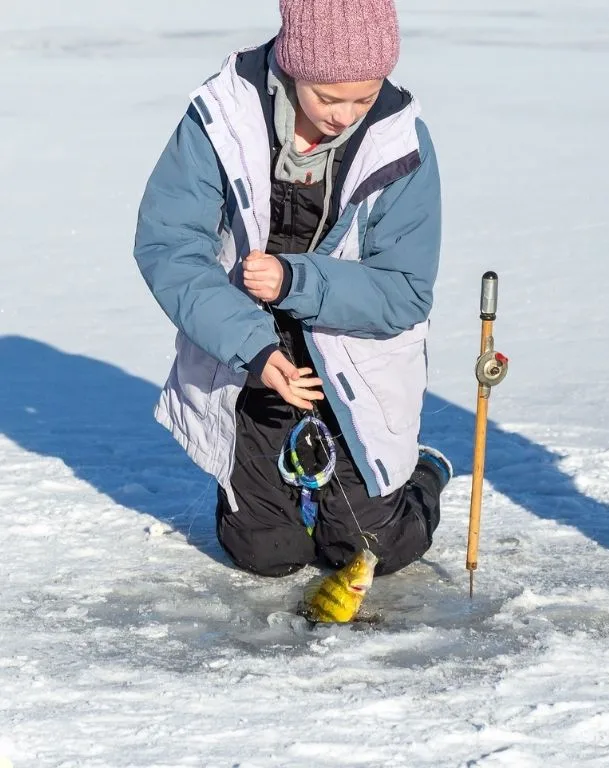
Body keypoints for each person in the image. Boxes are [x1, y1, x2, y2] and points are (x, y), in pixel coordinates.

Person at [134, 0, 452, 579]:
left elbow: (405, 291)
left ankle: (423, 474)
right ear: (292, 64)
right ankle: (258, 487)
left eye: (364, 96)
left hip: (358, 361)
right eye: (329, 98)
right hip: (248, 357)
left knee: (368, 550)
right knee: (266, 554)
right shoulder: (219, 119)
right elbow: (170, 245)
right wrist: (252, 348)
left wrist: (294, 279)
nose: (346, 115)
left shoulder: (403, 145)